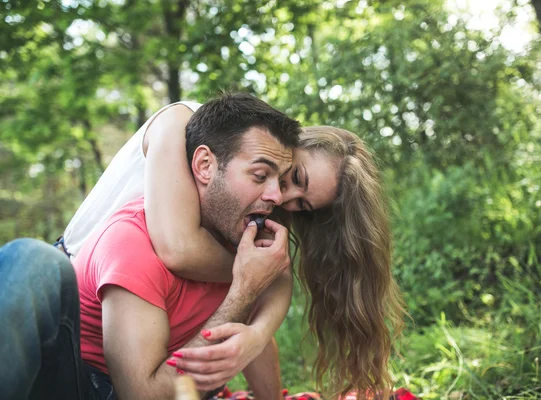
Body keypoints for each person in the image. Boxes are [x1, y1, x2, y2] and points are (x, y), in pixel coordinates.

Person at [60, 98, 405, 399]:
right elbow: (178, 250)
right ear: (290, 144)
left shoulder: (246, 201)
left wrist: (256, 333)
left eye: (303, 205)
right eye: (295, 178)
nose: (283, 197)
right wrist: (254, 275)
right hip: (67, 281)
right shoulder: (182, 125)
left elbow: (266, 280)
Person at [0, 93, 300, 400]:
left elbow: (254, 322)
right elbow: (141, 394)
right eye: (260, 175)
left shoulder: (237, 235)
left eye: (282, 181)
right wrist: (245, 287)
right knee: (33, 257)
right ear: (205, 165)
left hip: (166, 382)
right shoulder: (134, 241)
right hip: (81, 382)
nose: (277, 196)